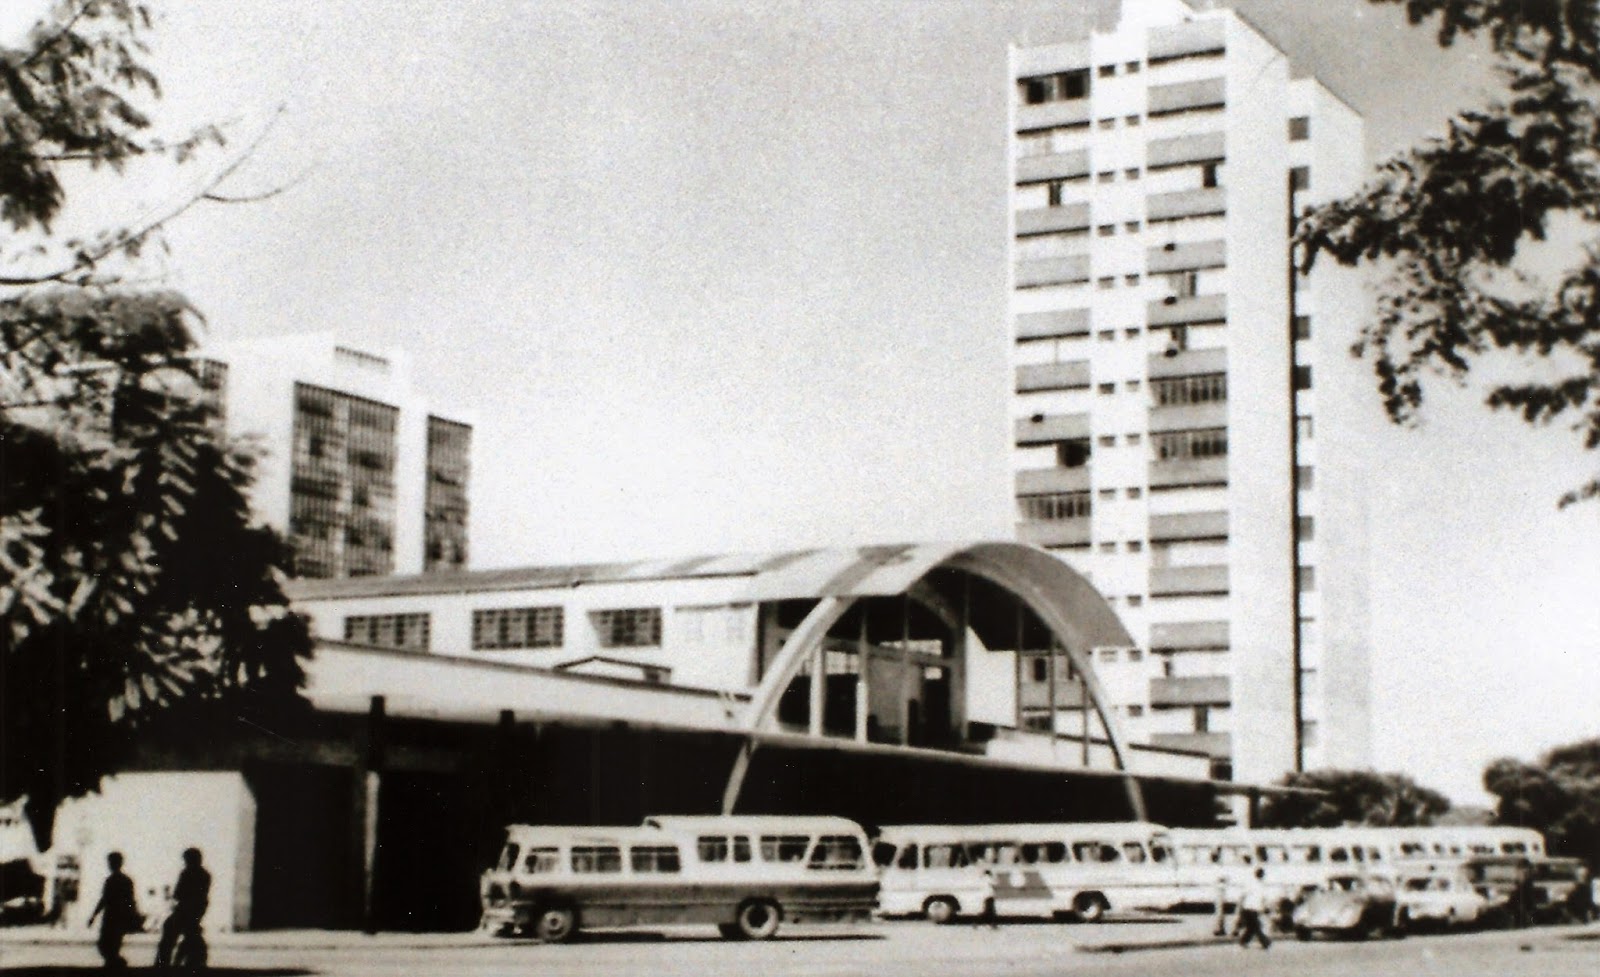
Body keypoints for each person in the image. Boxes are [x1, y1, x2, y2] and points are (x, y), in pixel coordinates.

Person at [154, 848, 210, 969]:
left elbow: (178, 894)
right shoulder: (205, 874)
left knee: (169, 934)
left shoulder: (187, 873)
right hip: (197, 910)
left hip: (184, 910)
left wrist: (168, 894)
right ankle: (190, 960)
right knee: (191, 935)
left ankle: (163, 963)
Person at [86, 852, 139, 969]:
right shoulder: (126, 880)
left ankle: (115, 965)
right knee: (112, 944)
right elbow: (131, 900)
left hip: (112, 916)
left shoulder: (111, 880)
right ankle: (116, 964)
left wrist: (94, 916)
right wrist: (133, 915)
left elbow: (104, 900)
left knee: (106, 944)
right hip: (119, 916)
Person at [1235, 866, 1272, 950]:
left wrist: (1264, 907)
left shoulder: (1261, 885)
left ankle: (1243, 941)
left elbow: (1262, 898)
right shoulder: (1252, 884)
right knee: (1256, 926)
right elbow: (1243, 896)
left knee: (1251, 928)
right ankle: (1265, 942)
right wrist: (1240, 906)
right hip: (1248, 908)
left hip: (1254, 909)